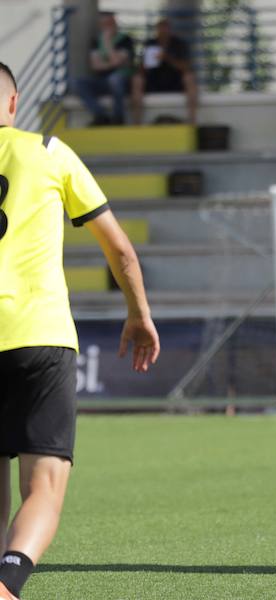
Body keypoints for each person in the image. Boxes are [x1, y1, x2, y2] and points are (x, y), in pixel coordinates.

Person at [0, 61, 160, 600]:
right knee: (44, 483)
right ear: (15, 104)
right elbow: (118, 246)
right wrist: (138, 313)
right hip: (38, 335)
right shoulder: (48, 151)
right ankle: (8, 582)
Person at [131, 18, 198, 125]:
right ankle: (136, 122)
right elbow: (140, 69)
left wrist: (167, 58)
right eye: (160, 29)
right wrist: (147, 63)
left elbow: (186, 67)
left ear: (170, 30)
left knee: (190, 77)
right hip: (154, 81)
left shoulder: (179, 44)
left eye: (165, 29)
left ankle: (192, 120)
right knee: (137, 79)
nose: (162, 32)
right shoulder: (150, 44)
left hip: (175, 82)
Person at [73, 11, 135, 126]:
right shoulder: (96, 41)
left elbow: (116, 62)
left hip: (122, 81)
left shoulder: (125, 40)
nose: (108, 27)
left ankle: (118, 118)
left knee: (115, 79)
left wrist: (107, 42)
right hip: (102, 81)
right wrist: (112, 62)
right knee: (78, 82)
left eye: (110, 23)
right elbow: (95, 66)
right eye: (105, 24)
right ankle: (100, 115)